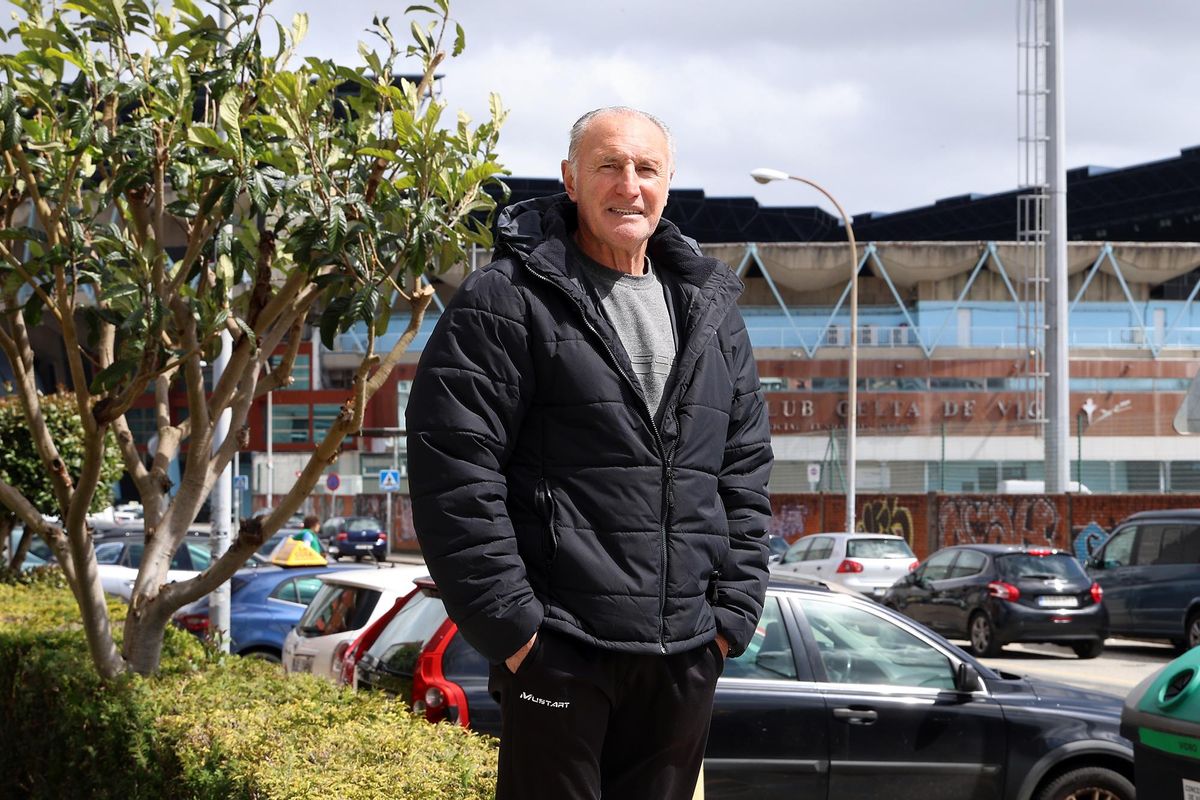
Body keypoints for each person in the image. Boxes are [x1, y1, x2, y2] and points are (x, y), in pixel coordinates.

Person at [407, 106, 773, 800]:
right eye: (608, 165)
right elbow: (453, 470)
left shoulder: (712, 310)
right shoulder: (505, 301)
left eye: (646, 169)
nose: (628, 184)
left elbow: (745, 472)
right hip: (561, 652)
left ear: (668, 184)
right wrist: (519, 634)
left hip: (684, 656)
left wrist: (730, 619)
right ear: (570, 179)